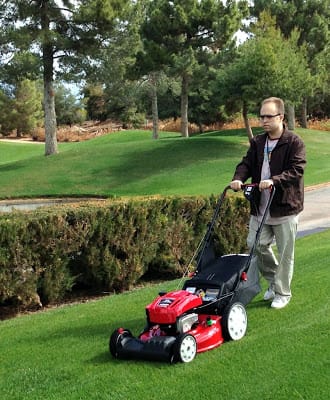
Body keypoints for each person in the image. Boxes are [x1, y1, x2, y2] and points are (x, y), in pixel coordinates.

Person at [230, 97, 306, 309]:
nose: (263, 120)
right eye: (261, 116)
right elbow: (245, 164)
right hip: (259, 207)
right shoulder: (258, 142)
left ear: (281, 117)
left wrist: (274, 181)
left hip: (285, 208)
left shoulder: (294, 142)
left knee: (285, 255)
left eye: (268, 116)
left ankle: (283, 293)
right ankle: (273, 282)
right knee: (256, 245)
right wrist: (238, 178)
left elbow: (296, 170)